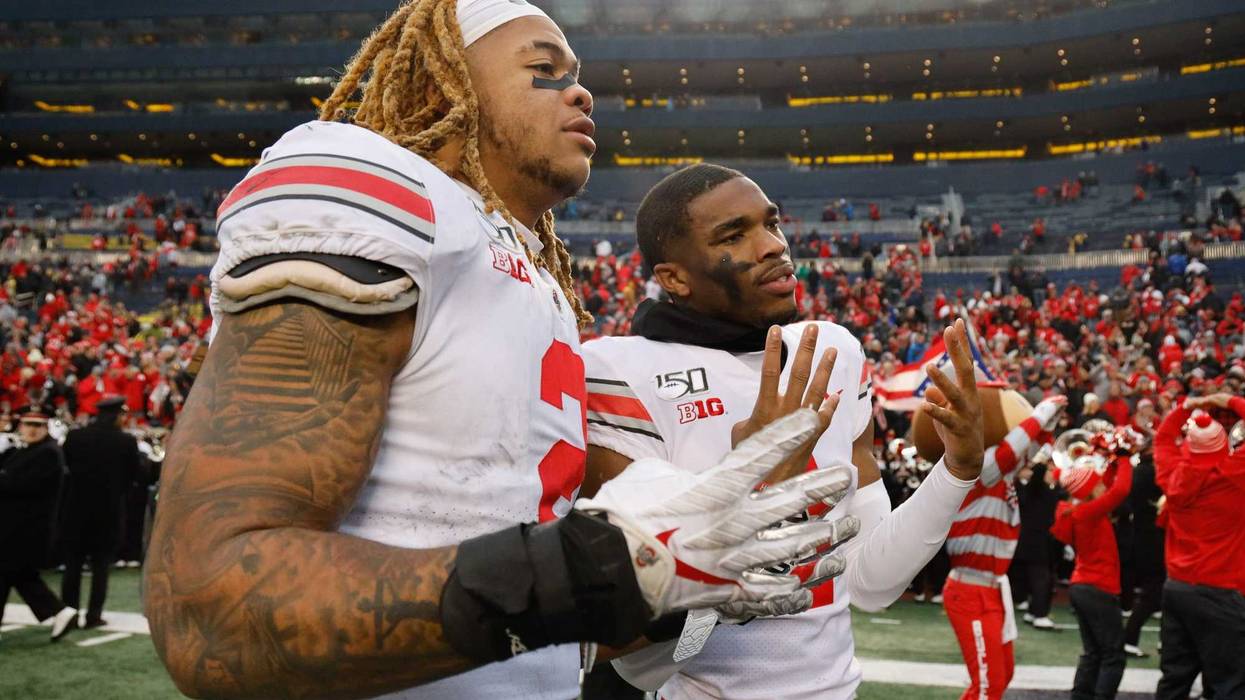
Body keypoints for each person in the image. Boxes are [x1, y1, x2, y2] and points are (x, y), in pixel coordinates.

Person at [144, 3, 843, 698]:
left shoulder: (534, 278)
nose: (579, 91)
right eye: (543, 69)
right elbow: (212, 610)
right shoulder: (385, 193)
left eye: (575, 73)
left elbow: (554, 613)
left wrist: (708, 538)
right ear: (437, 85)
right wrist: (592, 568)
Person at [581, 164, 986, 699]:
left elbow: (870, 584)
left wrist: (957, 471)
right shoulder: (616, 371)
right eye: (734, 235)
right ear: (674, 277)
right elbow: (637, 657)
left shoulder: (834, 352)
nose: (773, 245)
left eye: (771, 224)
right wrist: (751, 494)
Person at [940, 395, 1068, 700]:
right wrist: (1043, 411)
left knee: (1001, 676)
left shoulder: (1001, 471)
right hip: (969, 589)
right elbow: (1013, 449)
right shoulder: (977, 465)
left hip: (993, 588)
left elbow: (1031, 449)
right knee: (988, 686)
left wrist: (1050, 424)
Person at [1153, 393, 1245, 700]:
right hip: (1221, 591)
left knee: (1174, 681)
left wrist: (1186, 407)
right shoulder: (1235, 475)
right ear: (1223, 444)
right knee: (1228, 684)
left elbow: (1164, 437)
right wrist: (1229, 399)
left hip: (1177, 588)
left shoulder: (1172, 474)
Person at [1051, 428, 1138, 700]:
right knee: (1113, 656)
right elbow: (1120, 489)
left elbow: (1109, 485)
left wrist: (1108, 456)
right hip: (1098, 587)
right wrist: (1123, 456)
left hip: (1083, 586)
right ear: (1091, 489)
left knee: (1093, 652)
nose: (1103, 483)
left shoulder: (1080, 509)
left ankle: (1081, 696)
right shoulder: (1091, 511)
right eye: (1097, 482)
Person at [59, 394, 143, 628]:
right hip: (108, 512)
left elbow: (68, 469)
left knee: (73, 567)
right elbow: (133, 476)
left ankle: (69, 614)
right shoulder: (125, 442)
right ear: (117, 415)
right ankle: (94, 615)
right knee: (100, 567)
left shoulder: (75, 437)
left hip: (75, 510)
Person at [0, 404, 78, 641]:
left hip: (26, 529)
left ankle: (60, 610)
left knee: (14, 574)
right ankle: (61, 611)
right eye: (28, 424)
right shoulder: (22, 451)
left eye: (38, 425)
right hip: (14, 528)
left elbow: (19, 486)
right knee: (15, 576)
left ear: (46, 427)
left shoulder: (48, 453)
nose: (32, 430)